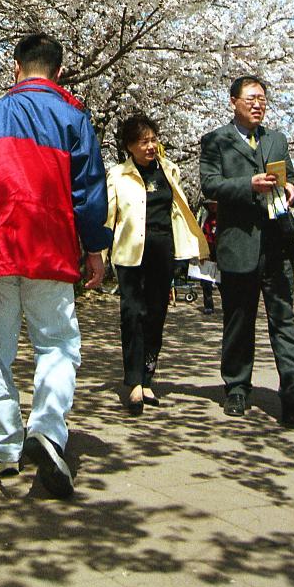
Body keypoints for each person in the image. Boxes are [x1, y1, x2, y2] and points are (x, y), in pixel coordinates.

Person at [0, 33, 112, 499]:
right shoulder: (74, 117)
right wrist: (95, 247)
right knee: (57, 343)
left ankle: (3, 448)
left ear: (16, 67)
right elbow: (90, 190)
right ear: (57, 71)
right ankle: (48, 430)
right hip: (51, 248)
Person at [199, 75, 294, 426]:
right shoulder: (216, 141)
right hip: (239, 243)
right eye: (251, 98)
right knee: (238, 320)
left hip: (277, 244)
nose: (258, 104)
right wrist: (248, 185)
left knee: (284, 320)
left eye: (262, 99)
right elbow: (209, 184)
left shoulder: (276, 140)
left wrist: (292, 189)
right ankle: (238, 388)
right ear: (233, 101)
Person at [107, 114, 208, 413]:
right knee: (132, 313)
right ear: (129, 147)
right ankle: (134, 381)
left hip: (162, 250)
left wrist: (194, 246)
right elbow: (109, 217)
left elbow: (181, 212)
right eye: (143, 142)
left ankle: (148, 377)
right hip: (129, 253)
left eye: (153, 139)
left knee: (155, 314)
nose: (151, 146)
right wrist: (96, 256)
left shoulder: (169, 170)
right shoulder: (118, 175)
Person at [200, 200, 219, 314]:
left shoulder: (224, 216)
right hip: (207, 248)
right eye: (210, 204)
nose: (212, 206)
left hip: (220, 249)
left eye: (214, 204)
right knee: (206, 278)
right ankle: (208, 305)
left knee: (222, 279)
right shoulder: (204, 217)